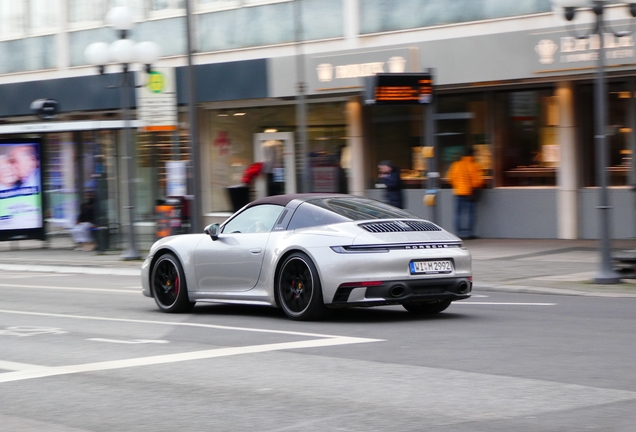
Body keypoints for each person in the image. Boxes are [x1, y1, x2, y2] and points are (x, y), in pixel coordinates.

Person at [446, 146, 484, 239]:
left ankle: (459, 233)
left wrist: (458, 186)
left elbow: (450, 178)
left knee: (458, 214)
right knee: (470, 214)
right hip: (470, 193)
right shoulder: (474, 166)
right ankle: (469, 233)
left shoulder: (456, 165)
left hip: (458, 192)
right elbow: (478, 181)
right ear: (472, 155)